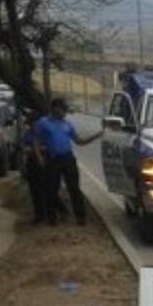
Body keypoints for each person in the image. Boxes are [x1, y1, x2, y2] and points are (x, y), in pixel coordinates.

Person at [34, 97, 102, 226]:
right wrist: (39, 157)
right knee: (51, 190)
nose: (64, 113)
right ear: (54, 109)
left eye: (65, 110)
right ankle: (52, 219)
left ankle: (80, 218)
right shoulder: (43, 122)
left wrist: (96, 135)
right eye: (62, 110)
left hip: (67, 158)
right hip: (52, 159)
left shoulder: (67, 124)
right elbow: (35, 140)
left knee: (74, 188)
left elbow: (78, 141)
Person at [21, 110, 47, 224]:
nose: (32, 125)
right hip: (32, 163)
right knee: (34, 191)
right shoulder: (27, 134)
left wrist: (37, 150)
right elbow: (24, 149)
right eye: (30, 123)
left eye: (33, 123)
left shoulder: (45, 134)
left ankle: (51, 213)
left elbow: (48, 147)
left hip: (44, 162)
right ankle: (39, 215)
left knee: (46, 189)